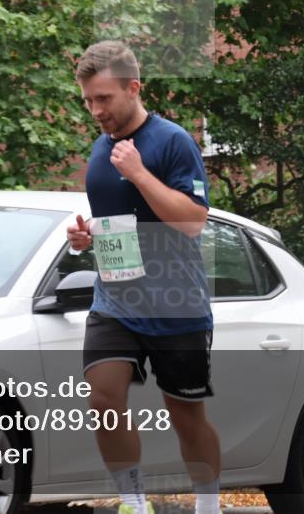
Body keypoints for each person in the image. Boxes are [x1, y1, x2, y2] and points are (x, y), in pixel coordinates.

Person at [66, 40, 221, 514]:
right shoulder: (100, 147)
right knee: (103, 397)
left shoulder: (172, 141)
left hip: (176, 303)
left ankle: (209, 506)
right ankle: (134, 501)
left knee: (185, 416)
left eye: (104, 98)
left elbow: (192, 220)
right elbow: (123, 222)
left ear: (134, 88)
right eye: (88, 100)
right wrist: (87, 235)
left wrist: (139, 174)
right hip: (116, 302)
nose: (95, 110)